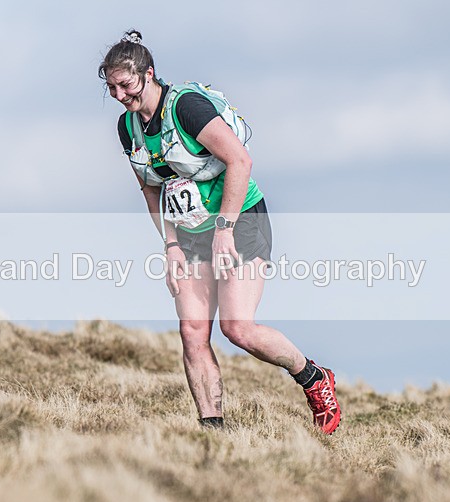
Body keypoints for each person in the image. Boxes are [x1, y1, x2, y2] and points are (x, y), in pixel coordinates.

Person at [98, 30, 341, 434]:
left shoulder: (187, 108)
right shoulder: (128, 127)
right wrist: (171, 245)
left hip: (240, 219)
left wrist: (225, 229)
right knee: (192, 330)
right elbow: (151, 188)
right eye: (111, 88)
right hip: (190, 231)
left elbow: (240, 162)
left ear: (148, 74)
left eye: (125, 85)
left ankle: (313, 378)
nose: (120, 95)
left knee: (237, 328)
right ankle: (213, 431)